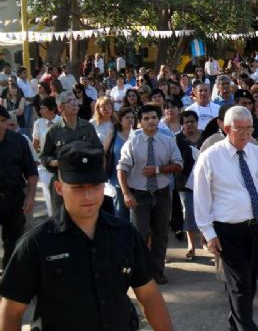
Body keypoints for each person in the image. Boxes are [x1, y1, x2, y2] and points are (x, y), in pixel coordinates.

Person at [0, 141, 174, 331]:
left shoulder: (125, 234)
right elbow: (11, 312)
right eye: (78, 187)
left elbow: (149, 295)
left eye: (95, 185)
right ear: (59, 188)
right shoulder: (35, 244)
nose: (89, 195)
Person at [193, 106, 258, 331]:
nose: (245, 134)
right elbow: (201, 198)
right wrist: (208, 233)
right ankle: (246, 327)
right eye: (239, 129)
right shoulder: (210, 157)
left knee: (249, 282)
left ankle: (236, 322)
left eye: (249, 128)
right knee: (240, 284)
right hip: (228, 231)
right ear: (226, 128)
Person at [117, 103, 183, 284]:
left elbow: (179, 164)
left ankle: (157, 271)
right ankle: (139, 273)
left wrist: (158, 169)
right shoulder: (132, 143)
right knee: (140, 235)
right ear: (139, 122)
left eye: (154, 117)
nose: (151, 121)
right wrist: (126, 193)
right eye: (146, 118)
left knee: (161, 235)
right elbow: (121, 169)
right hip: (139, 195)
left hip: (162, 193)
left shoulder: (167, 140)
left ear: (159, 119)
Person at [40, 91, 103, 213]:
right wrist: (57, 162)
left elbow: (99, 150)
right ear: (60, 107)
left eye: (75, 100)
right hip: (63, 181)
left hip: (86, 179)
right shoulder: (54, 131)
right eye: (70, 101)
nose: (75, 103)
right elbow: (44, 157)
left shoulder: (88, 127)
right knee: (61, 217)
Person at [0, 105, 38, 270]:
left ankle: (8, 281)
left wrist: (30, 196)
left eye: (3, 121)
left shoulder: (19, 141)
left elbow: (31, 172)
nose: (1, 126)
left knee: (14, 244)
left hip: (14, 198)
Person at [174, 110, 203, 261]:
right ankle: (191, 245)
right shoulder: (176, 139)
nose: (190, 124)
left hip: (205, 181)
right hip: (184, 182)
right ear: (182, 125)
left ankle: (205, 238)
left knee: (206, 210)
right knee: (189, 212)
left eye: (192, 121)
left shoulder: (205, 136)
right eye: (186, 122)